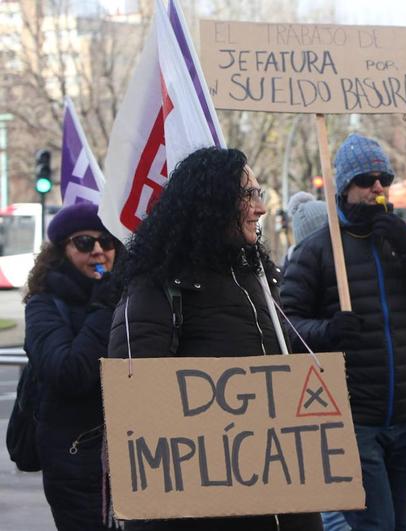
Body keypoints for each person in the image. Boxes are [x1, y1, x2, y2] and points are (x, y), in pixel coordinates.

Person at [108, 147, 323, 531]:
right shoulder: (156, 290)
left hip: (283, 498)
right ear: (212, 203)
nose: (260, 208)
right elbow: (139, 419)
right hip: (208, 512)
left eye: (260, 195)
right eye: (249, 195)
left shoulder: (258, 280)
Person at [280, 134, 406, 531]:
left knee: (400, 525)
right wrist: (328, 331)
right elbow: (285, 326)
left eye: (384, 178)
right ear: (346, 188)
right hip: (353, 418)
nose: (378, 187)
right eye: (366, 179)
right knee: (375, 526)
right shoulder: (317, 250)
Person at [24, 202, 123, 530]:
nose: (98, 251)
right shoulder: (44, 303)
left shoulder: (125, 296)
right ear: (62, 251)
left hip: (130, 456)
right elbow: (68, 372)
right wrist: (104, 307)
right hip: (75, 460)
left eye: (106, 241)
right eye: (84, 242)